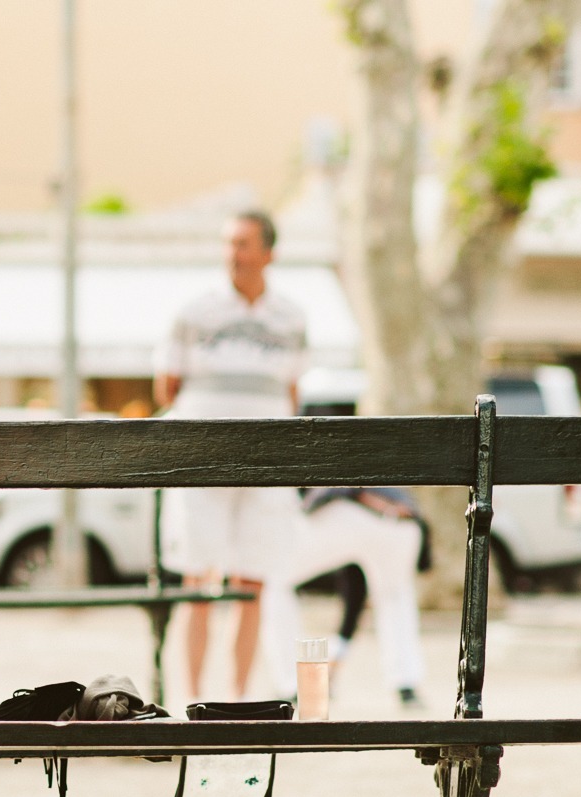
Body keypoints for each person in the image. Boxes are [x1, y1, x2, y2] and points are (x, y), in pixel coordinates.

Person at [154, 209, 306, 701]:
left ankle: (237, 700)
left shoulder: (292, 317)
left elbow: (292, 388)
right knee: (198, 583)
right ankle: (192, 700)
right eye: (228, 243)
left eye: (242, 243)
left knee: (251, 585)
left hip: (266, 469)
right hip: (201, 464)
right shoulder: (194, 310)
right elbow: (166, 388)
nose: (232, 254)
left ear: (268, 253)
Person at [292, 486, 428, 708]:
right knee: (393, 596)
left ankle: (294, 682)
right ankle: (406, 684)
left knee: (274, 580)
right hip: (397, 517)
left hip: (344, 506)